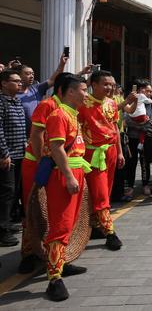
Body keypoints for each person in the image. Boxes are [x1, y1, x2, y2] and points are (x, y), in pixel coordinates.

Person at [43, 74, 91, 301]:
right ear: (70, 92)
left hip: (76, 172)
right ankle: (54, 279)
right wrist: (70, 176)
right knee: (60, 226)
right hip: (64, 175)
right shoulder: (58, 115)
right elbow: (57, 149)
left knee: (69, 224)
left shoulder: (73, 114)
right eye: (83, 89)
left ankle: (62, 263)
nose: (86, 94)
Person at [17, 72, 72, 272]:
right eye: (78, 90)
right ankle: (29, 253)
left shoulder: (68, 109)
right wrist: (42, 160)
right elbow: (37, 134)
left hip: (54, 164)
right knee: (33, 206)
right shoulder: (48, 105)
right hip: (37, 164)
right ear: (64, 90)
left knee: (54, 212)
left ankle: (57, 257)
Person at [78, 70, 124, 251]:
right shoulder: (83, 103)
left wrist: (120, 152)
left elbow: (115, 128)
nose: (110, 87)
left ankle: (96, 225)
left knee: (106, 190)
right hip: (92, 154)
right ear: (93, 85)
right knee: (99, 193)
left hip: (110, 151)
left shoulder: (112, 103)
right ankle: (110, 232)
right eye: (105, 84)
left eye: (112, 84)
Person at [0, 69, 26, 247]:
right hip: (7, 156)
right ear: (4, 83)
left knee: (15, 191)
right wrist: (4, 153)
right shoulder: (1, 102)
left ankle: (8, 223)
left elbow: (21, 128)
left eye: (20, 81)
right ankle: (2, 231)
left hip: (20, 154)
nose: (20, 84)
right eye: (16, 81)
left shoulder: (16, 101)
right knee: (6, 193)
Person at [14, 54, 69, 133]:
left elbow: (53, 80)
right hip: (20, 135)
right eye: (27, 74)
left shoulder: (36, 89)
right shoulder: (11, 94)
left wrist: (62, 64)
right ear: (19, 76)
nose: (31, 76)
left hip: (37, 134)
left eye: (32, 74)